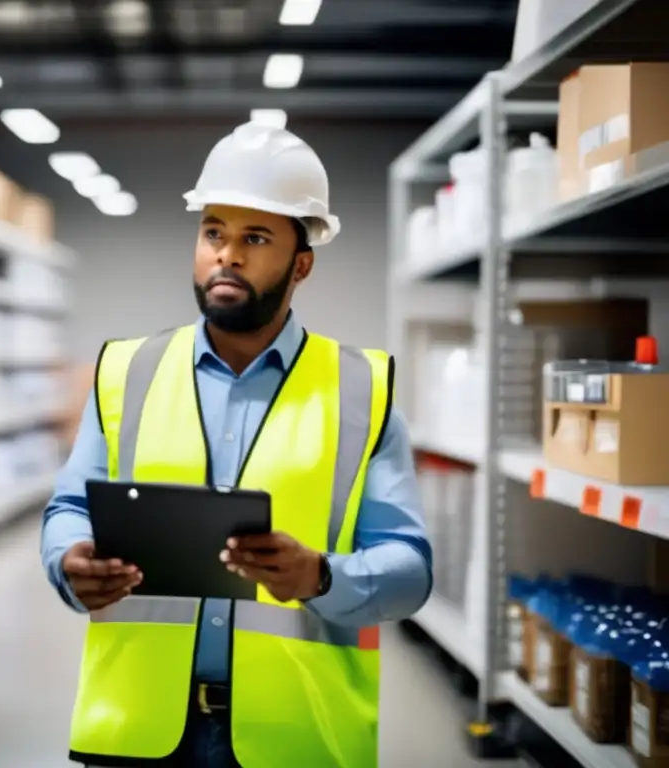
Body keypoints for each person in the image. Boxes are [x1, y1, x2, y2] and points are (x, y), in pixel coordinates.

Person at [40, 122, 432, 768]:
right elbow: (68, 511)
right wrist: (69, 562)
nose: (227, 255)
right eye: (214, 232)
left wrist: (322, 575)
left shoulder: (362, 390)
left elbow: (410, 569)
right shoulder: (127, 371)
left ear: (301, 263)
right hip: (136, 732)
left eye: (255, 238)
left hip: (295, 739)